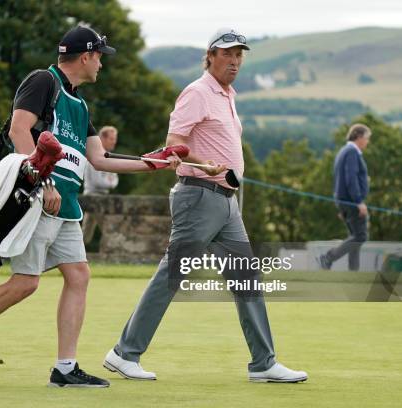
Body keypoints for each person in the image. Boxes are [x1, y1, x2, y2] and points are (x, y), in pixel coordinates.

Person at [0, 25, 182, 388]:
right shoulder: (43, 81)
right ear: (85, 56)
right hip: (36, 202)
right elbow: (19, 131)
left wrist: (154, 162)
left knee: (79, 275)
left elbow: (100, 158)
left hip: (67, 207)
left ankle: (65, 368)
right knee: (26, 284)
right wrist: (42, 181)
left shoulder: (79, 103)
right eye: (99, 58)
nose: (101, 66)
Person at [103, 28, 308, 383]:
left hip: (225, 203)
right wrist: (203, 161)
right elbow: (174, 144)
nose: (235, 61)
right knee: (172, 276)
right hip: (198, 195)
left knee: (247, 279)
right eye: (228, 54)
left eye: (239, 55)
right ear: (210, 55)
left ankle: (263, 362)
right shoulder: (197, 92)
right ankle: (124, 353)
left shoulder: (227, 95)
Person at [319, 124, 371, 271]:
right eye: (367, 138)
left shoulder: (343, 151)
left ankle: (353, 273)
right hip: (352, 202)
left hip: (344, 201)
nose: (367, 142)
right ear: (359, 137)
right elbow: (351, 179)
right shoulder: (352, 152)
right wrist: (359, 201)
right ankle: (329, 257)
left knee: (355, 237)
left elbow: (340, 179)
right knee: (360, 236)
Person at [82, 126, 119, 244]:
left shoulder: (108, 155)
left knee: (88, 229)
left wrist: (109, 182)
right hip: (93, 196)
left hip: (102, 196)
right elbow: (99, 182)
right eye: (112, 139)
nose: (114, 141)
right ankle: (111, 251)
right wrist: (110, 182)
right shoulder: (95, 155)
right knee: (107, 227)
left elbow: (115, 179)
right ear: (102, 138)